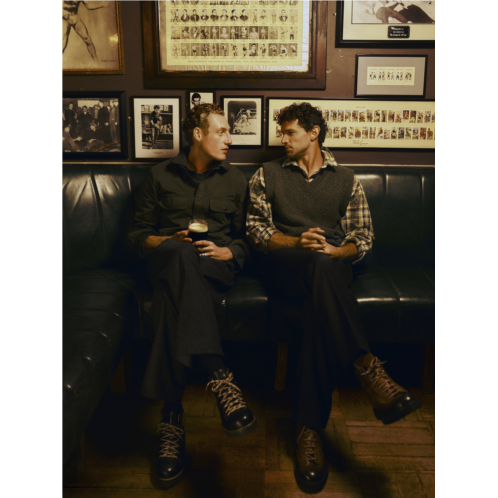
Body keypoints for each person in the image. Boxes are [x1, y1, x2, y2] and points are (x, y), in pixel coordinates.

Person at [246, 102, 423, 494]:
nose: (282, 139)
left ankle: (307, 431)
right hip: (286, 264)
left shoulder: (346, 178)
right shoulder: (267, 174)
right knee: (316, 267)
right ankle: (367, 368)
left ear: (314, 133)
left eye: (289, 132)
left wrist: (337, 251)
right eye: (281, 132)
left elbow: (363, 237)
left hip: (331, 265)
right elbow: (257, 231)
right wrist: (296, 242)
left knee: (319, 298)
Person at [128, 104, 256, 491]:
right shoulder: (158, 176)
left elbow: (246, 238)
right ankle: (219, 374)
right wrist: (168, 240)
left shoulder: (236, 179)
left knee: (171, 299)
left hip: (213, 268)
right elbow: (137, 236)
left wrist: (229, 251)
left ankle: (171, 419)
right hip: (169, 261)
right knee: (180, 254)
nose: (229, 139)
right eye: (221, 131)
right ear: (198, 134)